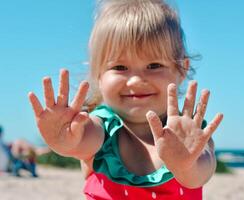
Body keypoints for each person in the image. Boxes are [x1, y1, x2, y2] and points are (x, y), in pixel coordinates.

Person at [28, 0, 223, 199]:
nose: (137, 80)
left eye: (154, 65)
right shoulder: (101, 127)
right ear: (99, 75)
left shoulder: (189, 132)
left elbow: (199, 176)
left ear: (182, 69)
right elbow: (79, 141)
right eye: (120, 67)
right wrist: (61, 139)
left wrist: (186, 164)